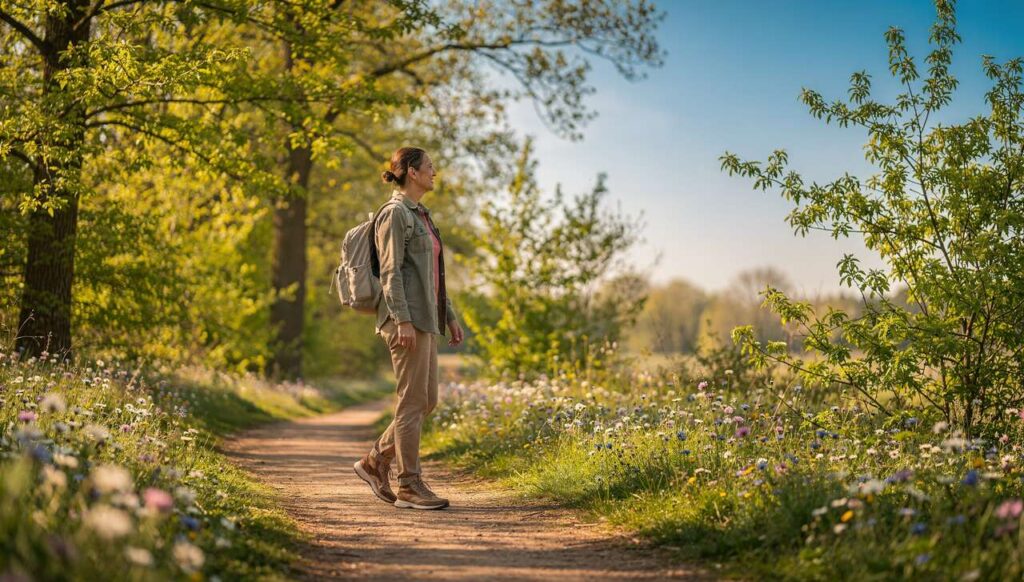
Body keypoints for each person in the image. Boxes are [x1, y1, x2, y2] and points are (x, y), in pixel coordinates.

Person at [353, 146, 464, 510]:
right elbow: (391, 272)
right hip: (405, 320)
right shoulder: (395, 214)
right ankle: (409, 485)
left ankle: (374, 461)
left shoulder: (422, 216)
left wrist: (448, 315)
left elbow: (431, 277)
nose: (435, 172)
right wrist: (401, 318)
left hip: (425, 318)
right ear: (412, 172)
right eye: (430, 167)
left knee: (426, 401)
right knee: (412, 402)